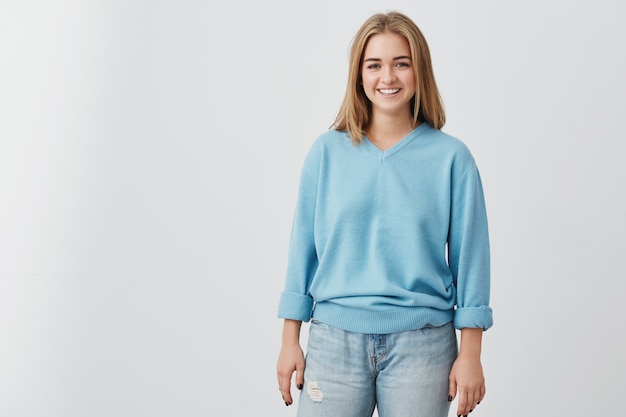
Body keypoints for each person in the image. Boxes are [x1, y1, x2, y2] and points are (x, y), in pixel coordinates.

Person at [276, 11, 492, 417]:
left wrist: (471, 354)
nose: (387, 77)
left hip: (423, 346)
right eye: (374, 65)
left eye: (401, 63)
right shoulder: (325, 153)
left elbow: (472, 261)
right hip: (333, 343)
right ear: (359, 74)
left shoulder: (452, 159)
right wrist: (290, 340)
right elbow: (301, 251)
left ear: (419, 71)